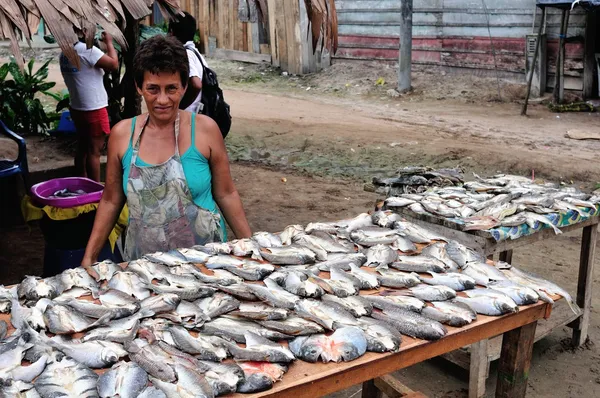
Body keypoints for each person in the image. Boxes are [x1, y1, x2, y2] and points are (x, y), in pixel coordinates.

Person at [80, 35, 251, 276]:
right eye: (152, 88)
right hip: (146, 266)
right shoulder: (121, 136)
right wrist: (89, 257)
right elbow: (111, 200)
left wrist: (253, 247)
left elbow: (226, 193)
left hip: (208, 263)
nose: (162, 99)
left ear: (184, 86)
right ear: (139, 87)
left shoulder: (205, 130)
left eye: (171, 88)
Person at [59, 31, 119, 182]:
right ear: (83, 31)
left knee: (82, 149)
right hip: (94, 108)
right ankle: (96, 190)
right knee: (94, 152)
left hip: (77, 107)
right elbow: (113, 64)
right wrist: (109, 43)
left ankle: (83, 183)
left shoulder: (64, 53)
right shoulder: (87, 50)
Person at [168, 12, 206, 113]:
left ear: (171, 32)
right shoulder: (196, 54)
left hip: (188, 114)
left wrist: (179, 108)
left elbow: (196, 85)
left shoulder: (186, 55)